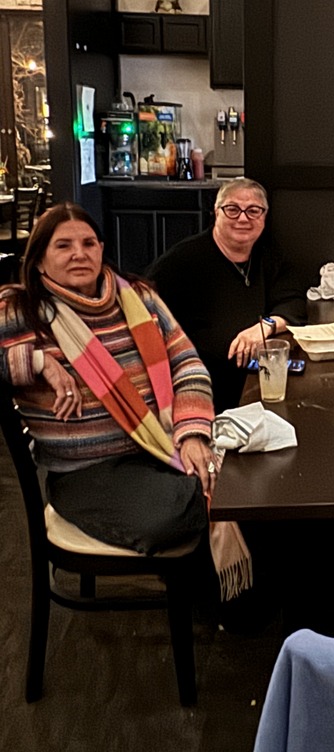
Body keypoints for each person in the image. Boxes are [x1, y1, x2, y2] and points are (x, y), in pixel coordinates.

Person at [0, 202, 215, 556]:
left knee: (236, 488)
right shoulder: (21, 310)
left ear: (101, 249)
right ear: (38, 260)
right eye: (63, 245)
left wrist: (192, 433)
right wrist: (37, 361)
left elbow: (187, 363)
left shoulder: (139, 297)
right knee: (187, 508)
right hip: (85, 472)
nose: (79, 254)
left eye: (88, 243)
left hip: (161, 446)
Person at [148, 178, 306, 413]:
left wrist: (264, 327)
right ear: (216, 212)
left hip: (255, 382)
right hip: (202, 389)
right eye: (232, 209)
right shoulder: (180, 263)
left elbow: (294, 302)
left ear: (264, 216)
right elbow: (144, 320)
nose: (243, 218)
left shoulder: (267, 255)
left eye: (253, 210)